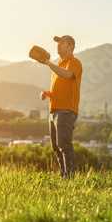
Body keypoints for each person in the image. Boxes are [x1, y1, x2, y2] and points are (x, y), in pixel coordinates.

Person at [40, 35, 82, 178]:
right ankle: (63, 175)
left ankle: (69, 178)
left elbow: (66, 75)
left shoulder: (74, 63)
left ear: (70, 47)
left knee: (64, 145)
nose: (58, 45)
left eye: (62, 43)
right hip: (55, 110)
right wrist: (48, 93)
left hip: (65, 111)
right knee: (56, 147)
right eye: (57, 43)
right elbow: (61, 87)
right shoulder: (59, 65)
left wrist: (48, 63)